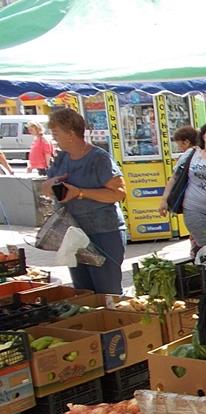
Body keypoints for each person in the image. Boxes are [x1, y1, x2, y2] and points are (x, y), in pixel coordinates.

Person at [41, 108, 126, 293]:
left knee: (107, 290)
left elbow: (119, 193)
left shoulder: (99, 158)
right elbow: (45, 189)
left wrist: (80, 193)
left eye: (56, 133)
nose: (53, 138)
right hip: (72, 233)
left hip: (104, 232)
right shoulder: (61, 158)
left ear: (71, 133)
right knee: (83, 291)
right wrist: (53, 183)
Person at [159, 122, 206, 249]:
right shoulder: (191, 154)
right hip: (194, 208)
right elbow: (175, 177)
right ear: (203, 136)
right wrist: (164, 200)